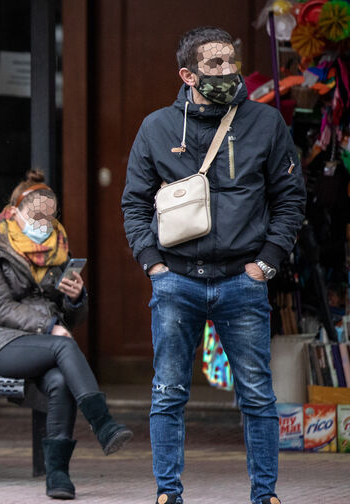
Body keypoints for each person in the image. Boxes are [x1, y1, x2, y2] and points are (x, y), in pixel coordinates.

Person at [121, 27, 306, 504]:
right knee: (168, 394)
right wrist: (153, 266)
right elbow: (134, 204)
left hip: (242, 281)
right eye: (214, 65)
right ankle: (168, 494)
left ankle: (265, 495)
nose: (228, 72)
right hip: (176, 281)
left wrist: (265, 263)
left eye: (231, 62)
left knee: (258, 398)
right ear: (188, 74)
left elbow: (290, 199)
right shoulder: (157, 127)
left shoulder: (265, 124)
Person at [0, 170, 133, 500]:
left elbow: (71, 318)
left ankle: (57, 475)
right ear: (14, 211)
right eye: (35, 215)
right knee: (63, 346)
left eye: (48, 216)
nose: (42, 222)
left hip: (44, 343)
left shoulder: (55, 249)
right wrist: (48, 326)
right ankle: (102, 422)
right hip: (0, 341)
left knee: (60, 381)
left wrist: (75, 297)